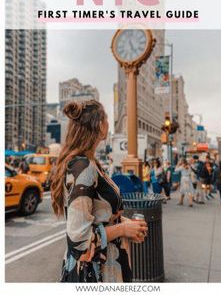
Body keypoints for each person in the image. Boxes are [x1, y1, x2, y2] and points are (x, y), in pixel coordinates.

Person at [50, 100, 148, 283]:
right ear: (99, 125)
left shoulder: (91, 163)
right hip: (96, 272)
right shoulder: (83, 166)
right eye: (107, 118)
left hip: (107, 266)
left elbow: (98, 213)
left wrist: (125, 223)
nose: (109, 123)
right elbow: (80, 240)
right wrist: (122, 229)